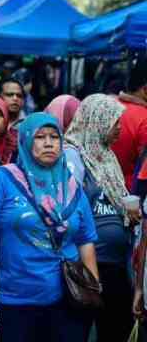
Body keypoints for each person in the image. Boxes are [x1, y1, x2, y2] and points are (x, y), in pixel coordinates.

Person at [0, 113, 98, 342]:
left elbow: (85, 239)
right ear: (26, 141)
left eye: (54, 137)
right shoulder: (4, 180)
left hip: (67, 300)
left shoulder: (72, 186)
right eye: (40, 137)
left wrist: (93, 289)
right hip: (15, 301)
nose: (48, 143)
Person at [63, 94, 135, 342]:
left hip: (114, 262)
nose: (119, 128)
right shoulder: (73, 156)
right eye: (114, 122)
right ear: (97, 121)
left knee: (116, 329)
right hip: (88, 264)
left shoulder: (105, 155)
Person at [112, 56, 147, 192]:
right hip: (132, 200)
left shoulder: (107, 106)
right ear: (145, 90)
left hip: (104, 197)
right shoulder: (144, 120)